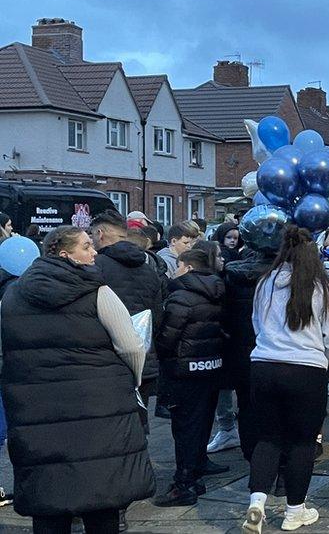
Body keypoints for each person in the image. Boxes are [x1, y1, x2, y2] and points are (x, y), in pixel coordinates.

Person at [0, 226, 155, 533]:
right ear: (64, 254)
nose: (94, 251)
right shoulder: (97, 291)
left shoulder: (12, 295)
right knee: (102, 495)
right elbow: (131, 345)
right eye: (86, 247)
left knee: (48, 496)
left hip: (36, 408)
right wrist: (133, 380)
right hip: (99, 405)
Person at [242, 227, 329, 534]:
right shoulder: (324, 289)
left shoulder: (265, 284)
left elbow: (257, 324)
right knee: (302, 442)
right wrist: (325, 359)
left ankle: (257, 503)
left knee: (268, 438)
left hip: (264, 365)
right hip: (306, 369)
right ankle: (294, 510)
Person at [154, 249, 226, 507]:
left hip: (184, 370)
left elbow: (167, 337)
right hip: (210, 366)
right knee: (202, 423)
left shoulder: (180, 297)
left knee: (184, 428)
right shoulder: (218, 291)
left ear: (186, 267)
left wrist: (160, 351)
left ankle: (183, 484)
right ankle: (195, 474)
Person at [91, 210, 167, 430]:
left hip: (106, 358)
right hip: (143, 358)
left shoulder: (96, 267)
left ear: (100, 233)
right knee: (138, 424)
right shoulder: (148, 268)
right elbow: (158, 316)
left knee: (110, 427)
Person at [212, 237, 278, 459]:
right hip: (272, 352)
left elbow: (223, 314)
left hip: (240, 351)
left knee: (246, 403)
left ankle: (250, 451)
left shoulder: (232, 277)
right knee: (272, 406)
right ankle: (270, 453)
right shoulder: (279, 277)